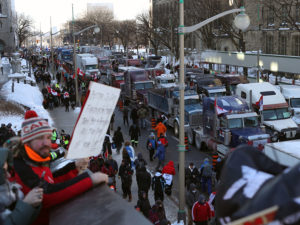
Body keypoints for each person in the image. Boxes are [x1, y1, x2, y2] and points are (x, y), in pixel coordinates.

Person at [12, 110, 108, 225]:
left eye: (48, 137)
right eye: (39, 138)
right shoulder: (20, 166)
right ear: (27, 142)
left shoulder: (36, 159)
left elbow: (51, 180)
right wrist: (90, 180)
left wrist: (74, 167)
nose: (46, 143)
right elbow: (47, 194)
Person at [0, 147, 43, 225]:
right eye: (3, 172)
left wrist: (34, 205)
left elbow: (28, 220)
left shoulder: (9, 187)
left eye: (7, 170)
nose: (9, 175)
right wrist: (26, 205)